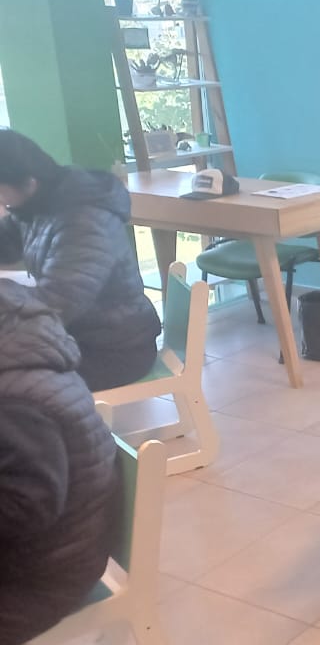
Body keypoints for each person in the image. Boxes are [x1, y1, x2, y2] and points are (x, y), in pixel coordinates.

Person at [0, 281, 122, 644]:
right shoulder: (16, 340)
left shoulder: (16, 403)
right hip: (41, 552)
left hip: (38, 578)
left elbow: (27, 505)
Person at [0, 130, 161, 391]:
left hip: (113, 350)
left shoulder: (85, 220)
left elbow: (56, 304)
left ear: (28, 183)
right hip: (75, 334)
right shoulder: (36, 204)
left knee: (10, 381)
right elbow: (6, 243)